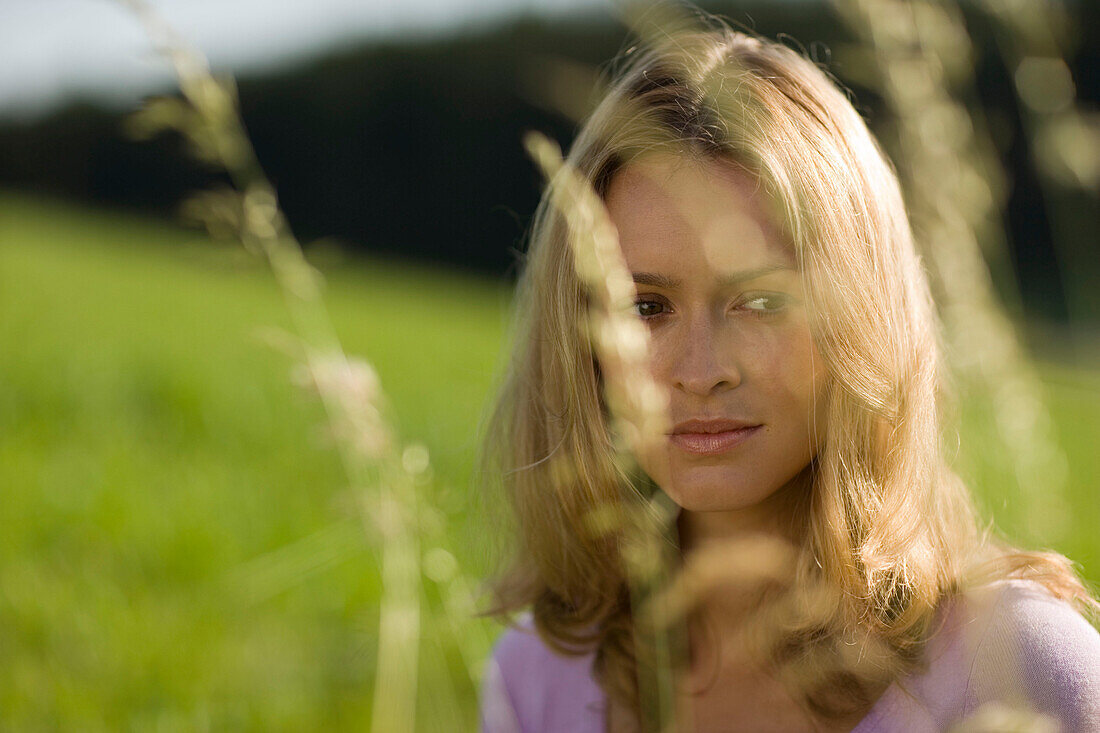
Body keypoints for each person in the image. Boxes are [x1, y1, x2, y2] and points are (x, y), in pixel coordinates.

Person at [478, 16, 1100, 733]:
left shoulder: (1020, 670)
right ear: (576, 334)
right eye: (646, 305)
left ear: (862, 317)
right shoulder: (538, 676)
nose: (700, 371)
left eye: (763, 300)